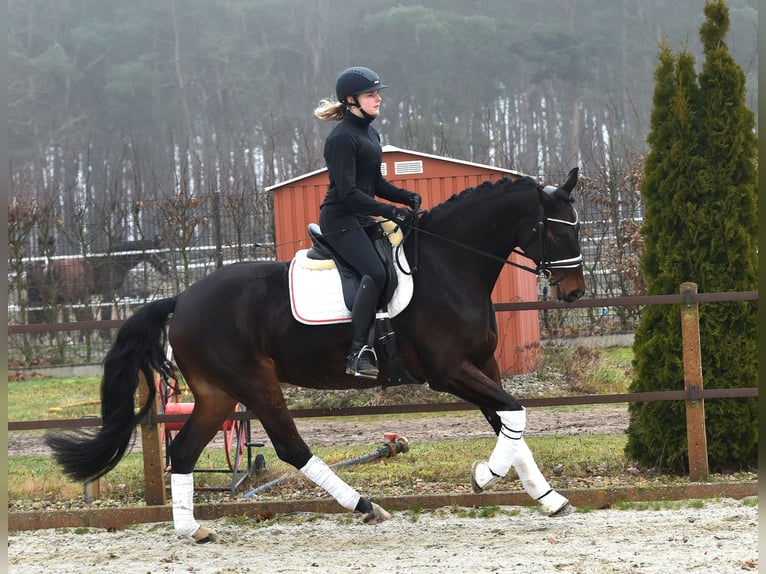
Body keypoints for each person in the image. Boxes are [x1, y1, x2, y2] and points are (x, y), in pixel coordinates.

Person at [314, 66, 421, 379]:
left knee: (396, 264)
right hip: (339, 218)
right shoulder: (341, 139)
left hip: (360, 216)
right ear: (351, 100)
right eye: (371, 94)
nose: (378, 99)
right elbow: (347, 192)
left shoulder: (370, 134)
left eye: (378, 93)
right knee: (374, 271)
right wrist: (389, 212)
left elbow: (373, 183)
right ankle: (358, 352)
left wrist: (404, 197)